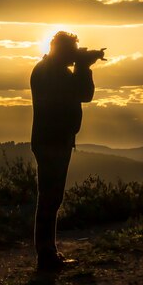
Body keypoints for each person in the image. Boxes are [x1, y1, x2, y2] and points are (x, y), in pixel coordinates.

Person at [30, 31, 105, 270]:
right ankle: (46, 255)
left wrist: (81, 64)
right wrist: (84, 67)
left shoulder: (46, 69)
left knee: (50, 197)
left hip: (51, 139)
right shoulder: (53, 72)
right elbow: (85, 94)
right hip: (53, 141)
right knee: (50, 198)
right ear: (61, 50)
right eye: (71, 50)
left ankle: (47, 252)